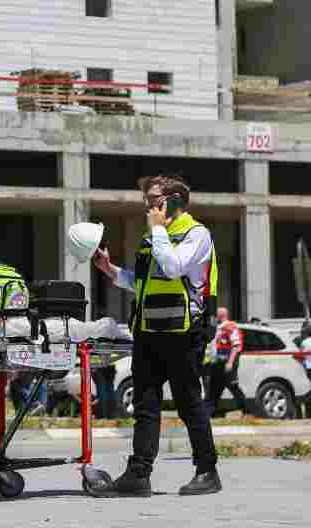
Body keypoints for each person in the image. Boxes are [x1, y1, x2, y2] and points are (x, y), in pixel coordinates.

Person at [93, 174, 221, 496]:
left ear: (173, 201)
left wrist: (159, 229)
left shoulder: (196, 235)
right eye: (147, 200)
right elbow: (143, 281)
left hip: (183, 334)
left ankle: (207, 472)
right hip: (149, 333)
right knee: (145, 406)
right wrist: (110, 270)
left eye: (153, 199)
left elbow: (175, 266)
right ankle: (138, 475)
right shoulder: (154, 238)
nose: (147, 206)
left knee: (190, 405)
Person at [205, 307, 247, 417]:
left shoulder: (230, 327)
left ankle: (247, 410)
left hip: (226, 362)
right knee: (214, 389)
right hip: (217, 363)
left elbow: (236, 346)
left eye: (216, 314)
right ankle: (209, 413)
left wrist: (230, 362)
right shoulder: (219, 328)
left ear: (221, 315)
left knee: (233, 386)